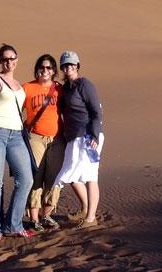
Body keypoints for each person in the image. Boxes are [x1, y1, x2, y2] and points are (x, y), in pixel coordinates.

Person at [0, 44, 34, 245]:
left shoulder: (19, 85)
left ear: (17, 59)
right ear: (0, 61)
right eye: (4, 59)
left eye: (12, 58)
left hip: (16, 136)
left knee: (26, 179)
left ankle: (13, 225)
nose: (8, 62)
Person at [54, 51, 104, 230]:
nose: (68, 68)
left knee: (90, 176)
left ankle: (91, 218)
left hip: (88, 136)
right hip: (73, 138)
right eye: (65, 65)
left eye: (71, 65)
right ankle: (85, 208)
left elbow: (96, 112)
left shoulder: (85, 84)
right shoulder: (66, 88)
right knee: (70, 174)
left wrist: (95, 136)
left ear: (77, 66)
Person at [23, 54, 65, 232]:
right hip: (35, 137)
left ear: (54, 70)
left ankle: (46, 214)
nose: (45, 71)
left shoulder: (60, 89)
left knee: (54, 178)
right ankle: (34, 218)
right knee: (35, 177)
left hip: (57, 139)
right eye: (42, 67)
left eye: (49, 68)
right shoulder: (27, 88)